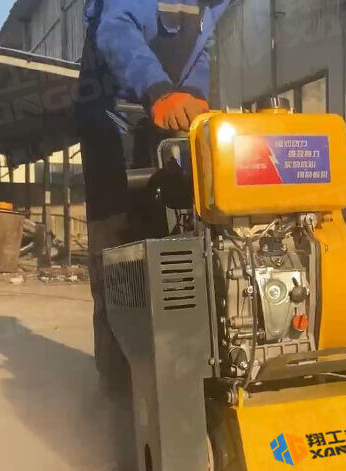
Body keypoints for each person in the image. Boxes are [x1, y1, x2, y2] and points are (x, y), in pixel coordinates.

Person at [76, 0, 229, 395]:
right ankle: (118, 387)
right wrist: (158, 89)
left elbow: (201, 49)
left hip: (162, 114)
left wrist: (193, 94)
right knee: (118, 256)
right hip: (113, 118)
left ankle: (190, 369)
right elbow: (116, 31)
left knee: (185, 241)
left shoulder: (213, 4)